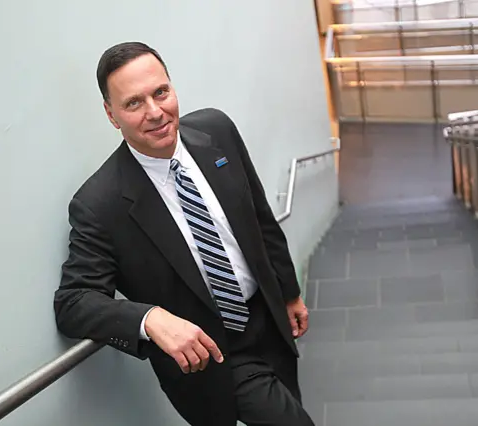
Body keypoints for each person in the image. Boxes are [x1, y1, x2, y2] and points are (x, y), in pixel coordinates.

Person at [53, 41, 314, 426]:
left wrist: (288, 291)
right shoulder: (99, 203)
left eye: (161, 92)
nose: (156, 112)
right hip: (213, 354)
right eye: (134, 103)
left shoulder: (217, 130)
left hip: (270, 319)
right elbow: (73, 303)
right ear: (112, 115)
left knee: (292, 403)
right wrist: (150, 319)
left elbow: (259, 217)